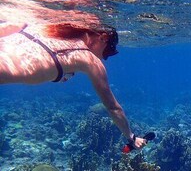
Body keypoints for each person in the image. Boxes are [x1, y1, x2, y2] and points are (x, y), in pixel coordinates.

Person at [0, 22, 147, 150]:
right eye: (108, 51)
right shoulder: (90, 60)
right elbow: (113, 108)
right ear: (103, 37)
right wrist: (131, 137)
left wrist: (59, 73)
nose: (104, 57)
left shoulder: (46, 28)